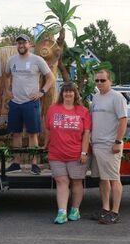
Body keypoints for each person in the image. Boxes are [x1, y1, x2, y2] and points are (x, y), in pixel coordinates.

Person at [5, 34, 55, 175]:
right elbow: (7, 75)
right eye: (19, 43)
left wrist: (42, 92)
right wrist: (8, 90)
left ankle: (34, 164)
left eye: (24, 43)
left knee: (33, 134)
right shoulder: (11, 60)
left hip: (31, 103)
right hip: (15, 103)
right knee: (16, 133)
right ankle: (16, 163)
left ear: (30, 44)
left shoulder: (37, 60)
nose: (21, 45)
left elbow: (50, 77)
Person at [44, 82, 91, 224]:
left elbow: (87, 133)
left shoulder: (83, 111)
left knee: (76, 182)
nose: (68, 94)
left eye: (71, 91)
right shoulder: (53, 109)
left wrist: (84, 152)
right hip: (56, 153)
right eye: (65, 91)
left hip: (76, 154)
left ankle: (75, 210)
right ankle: (62, 212)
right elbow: (47, 129)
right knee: (61, 181)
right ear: (62, 93)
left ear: (75, 94)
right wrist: (45, 145)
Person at [91, 69, 127, 224]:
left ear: (110, 81)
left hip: (110, 145)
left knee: (113, 179)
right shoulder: (96, 98)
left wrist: (118, 142)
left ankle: (115, 212)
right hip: (97, 145)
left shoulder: (117, 97)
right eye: (97, 81)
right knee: (103, 179)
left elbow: (123, 120)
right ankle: (105, 209)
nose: (99, 83)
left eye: (102, 80)